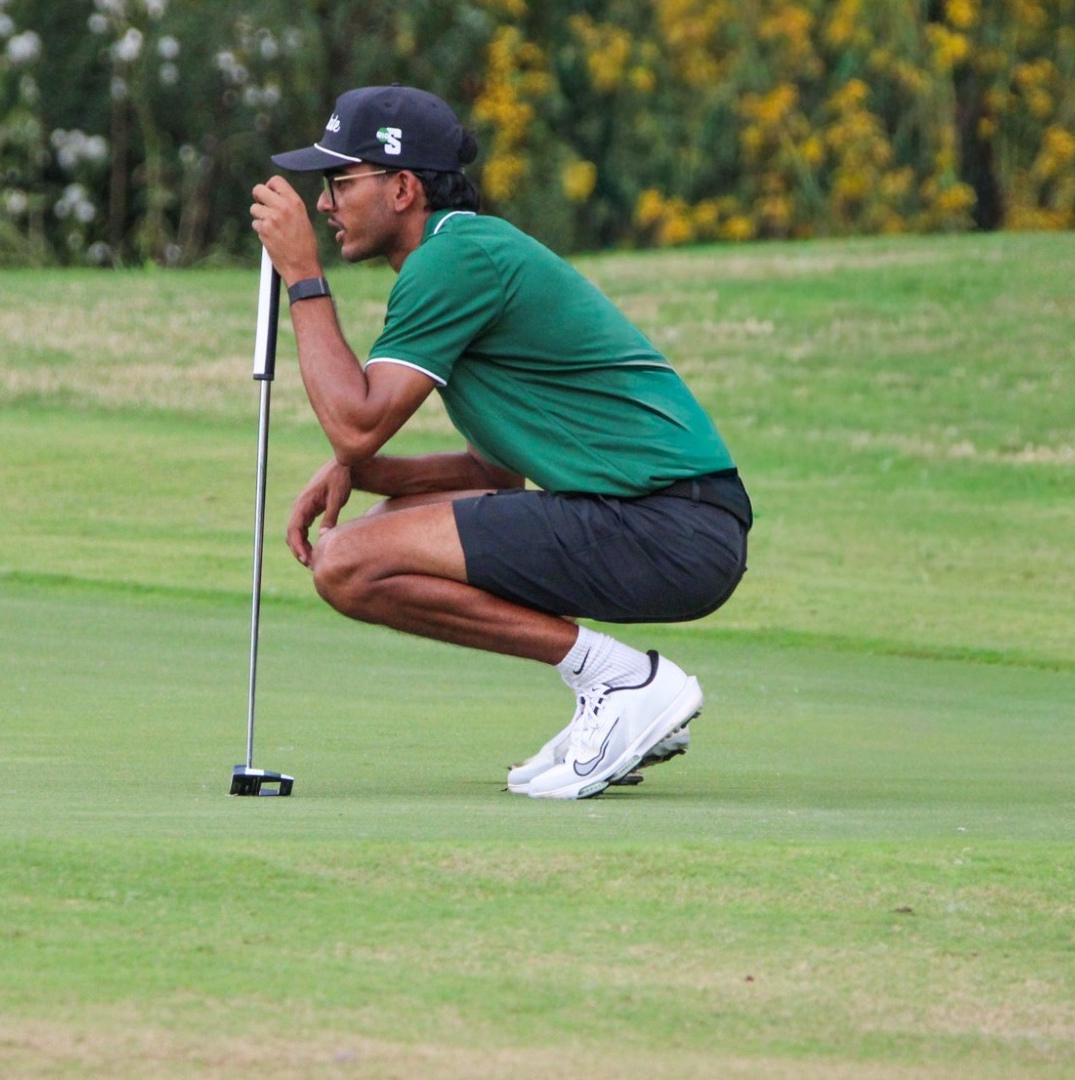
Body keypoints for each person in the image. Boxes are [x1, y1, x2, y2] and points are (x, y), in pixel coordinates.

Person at [248, 85, 750, 800]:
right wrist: (363, 474)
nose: (324, 203)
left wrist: (303, 277)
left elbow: (355, 419)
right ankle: (614, 689)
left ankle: (622, 680)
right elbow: (496, 473)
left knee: (348, 561)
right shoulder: (463, 255)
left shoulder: (455, 260)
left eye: (340, 181)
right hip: (673, 523)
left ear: (401, 188)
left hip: (670, 524)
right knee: (371, 538)